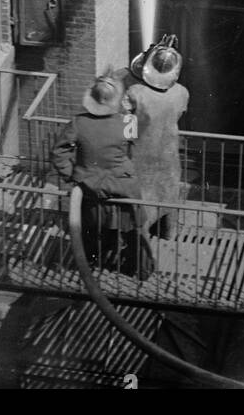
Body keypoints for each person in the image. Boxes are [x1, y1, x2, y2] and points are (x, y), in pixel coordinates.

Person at [50, 69, 151, 277]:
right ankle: (140, 269)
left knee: (92, 230)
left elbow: (59, 152)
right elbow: (136, 143)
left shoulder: (78, 123)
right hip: (123, 186)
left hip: (91, 186)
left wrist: (73, 174)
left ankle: (89, 265)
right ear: (116, 100)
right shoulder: (127, 122)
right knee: (133, 230)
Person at [124, 35, 190, 245]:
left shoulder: (134, 92)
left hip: (141, 155)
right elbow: (178, 115)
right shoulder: (181, 92)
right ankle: (168, 236)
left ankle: (140, 247)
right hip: (168, 154)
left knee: (142, 202)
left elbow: (128, 129)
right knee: (168, 194)